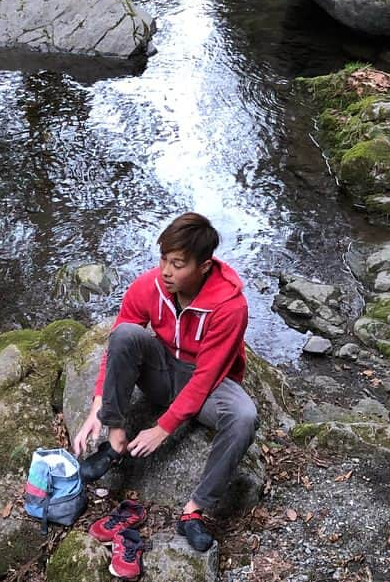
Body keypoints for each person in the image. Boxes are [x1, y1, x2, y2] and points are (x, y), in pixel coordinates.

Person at [72, 212, 257, 552]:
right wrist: (100, 405)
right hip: (160, 371)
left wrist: (163, 428)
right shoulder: (149, 286)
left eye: (178, 264)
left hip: (206, 386)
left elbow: (206, 377)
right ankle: (114, 444)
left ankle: (193, 512)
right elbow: (117, 345)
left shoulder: (231, 308)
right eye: (163, 259)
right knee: (126, 334)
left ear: (203, 266)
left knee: (244, 416)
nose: (166, 271)